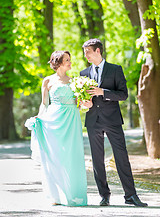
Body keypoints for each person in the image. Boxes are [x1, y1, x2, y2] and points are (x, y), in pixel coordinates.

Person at [80, 38, 148, 207]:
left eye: (88, 51)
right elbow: (82, 100)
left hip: (112, 120)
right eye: (84, 52)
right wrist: (84, 104)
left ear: (97, 51)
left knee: (122, 158)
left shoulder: (115, 69)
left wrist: (103, 91)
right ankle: (104, 195)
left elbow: (123, 95)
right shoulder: (83, 74)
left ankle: (130, 196)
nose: (85, 55)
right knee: (97, 160)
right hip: (93, 120)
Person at [25, 50, 87, 206]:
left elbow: (79, 104)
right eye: (67, 60)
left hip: (72, 119)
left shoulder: (75, 81)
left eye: (70, 59)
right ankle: (56, 195)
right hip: (54, 119)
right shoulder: (47, 81)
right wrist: (39, 116)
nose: (70, 62)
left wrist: (85, 103)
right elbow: (44, 103)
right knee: (55, 155)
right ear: (58, 62)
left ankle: (72, 194)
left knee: (72, 155)